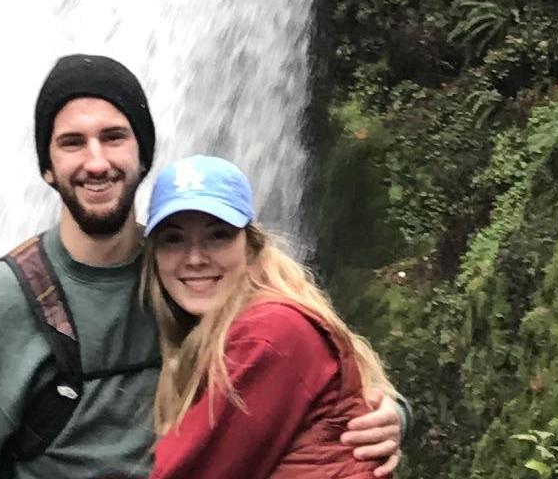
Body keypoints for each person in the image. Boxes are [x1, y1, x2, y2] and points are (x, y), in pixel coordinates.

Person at [0, 58, 405, 479]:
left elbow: (315, 361)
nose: (96, 162)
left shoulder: (194, 279)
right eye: (72, 142)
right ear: (47, 167)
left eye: (114, 137)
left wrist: (389, 415)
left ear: (143, 156)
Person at [143, 155, 392, 479]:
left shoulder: (271, 333)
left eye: (217, 235)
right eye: (173, 239)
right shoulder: (240, 324)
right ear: (154, 255)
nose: (195, 258)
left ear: (252, 246)